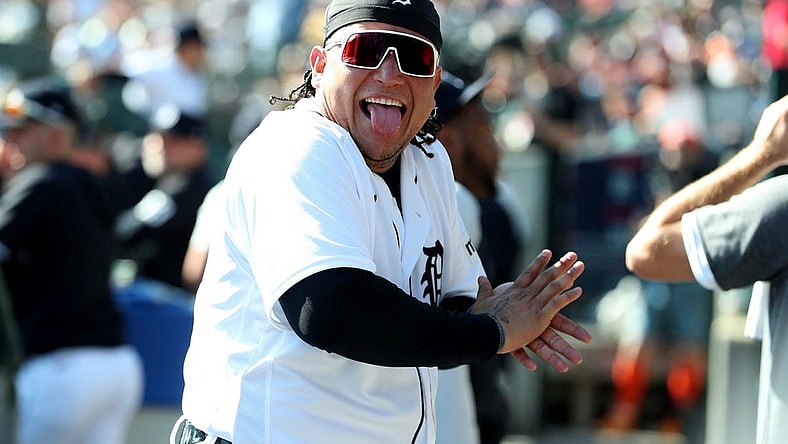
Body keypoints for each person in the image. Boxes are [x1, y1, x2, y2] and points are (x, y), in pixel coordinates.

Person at [172, 1, 592, 443]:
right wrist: (490, 331)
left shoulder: (429, 162)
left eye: (413, 57)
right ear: (319, 65)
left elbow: (446, 307)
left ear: (434, 81)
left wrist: (505, 312)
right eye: (365, 49)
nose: (389, 75)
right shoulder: (295, 145)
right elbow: (329, 311)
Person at [625, 94, 788, 444]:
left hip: (688, 267)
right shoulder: (655, 176)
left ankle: (677, 417)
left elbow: (645, 249)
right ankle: (631, 410)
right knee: (644, 340)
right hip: (675, 271)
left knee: (688, 346)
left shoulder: (781, 206)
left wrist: (763, 154)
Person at [0, 76, 143, 444]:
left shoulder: (39, 182)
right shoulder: (90, 184)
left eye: (23, 129)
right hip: (116, 367)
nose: (9, 139)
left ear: (56, 134)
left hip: (61, 371)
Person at [433, 71, 531, 444]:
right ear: (448, 140)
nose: (496, 148)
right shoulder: (456, 200)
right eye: (486, 133)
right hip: (444, 419)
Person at [111, 105, 215, 290]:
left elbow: (127, 233)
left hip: (177, 301)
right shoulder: (170, 181)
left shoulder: (186, 188)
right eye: (156, 136)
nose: (160, 146)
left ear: (198, 146)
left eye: (173, 139)